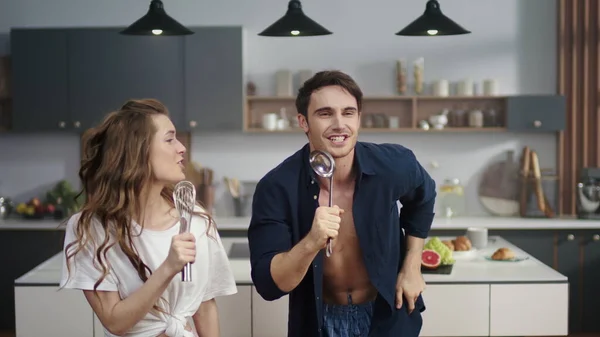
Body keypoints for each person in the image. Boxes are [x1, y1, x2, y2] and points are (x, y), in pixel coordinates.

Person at [248, 70, 436, 337]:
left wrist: (412, 264)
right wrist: (312, 242)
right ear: (303, 122)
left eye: (348, 113)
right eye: (325, 114)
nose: (339, 124)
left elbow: (423, 197)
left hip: (387, 314)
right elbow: (269, 285)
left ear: (359, 118)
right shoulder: (276, 188)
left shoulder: (394, 164)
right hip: (320, 321)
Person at [59, 99, 237, 337]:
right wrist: (169, 268)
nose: (182, 148)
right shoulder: (91, 228)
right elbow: (114, 321)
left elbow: (204, 308)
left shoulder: (197, 220)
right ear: (137, 152)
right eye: (169, 139)